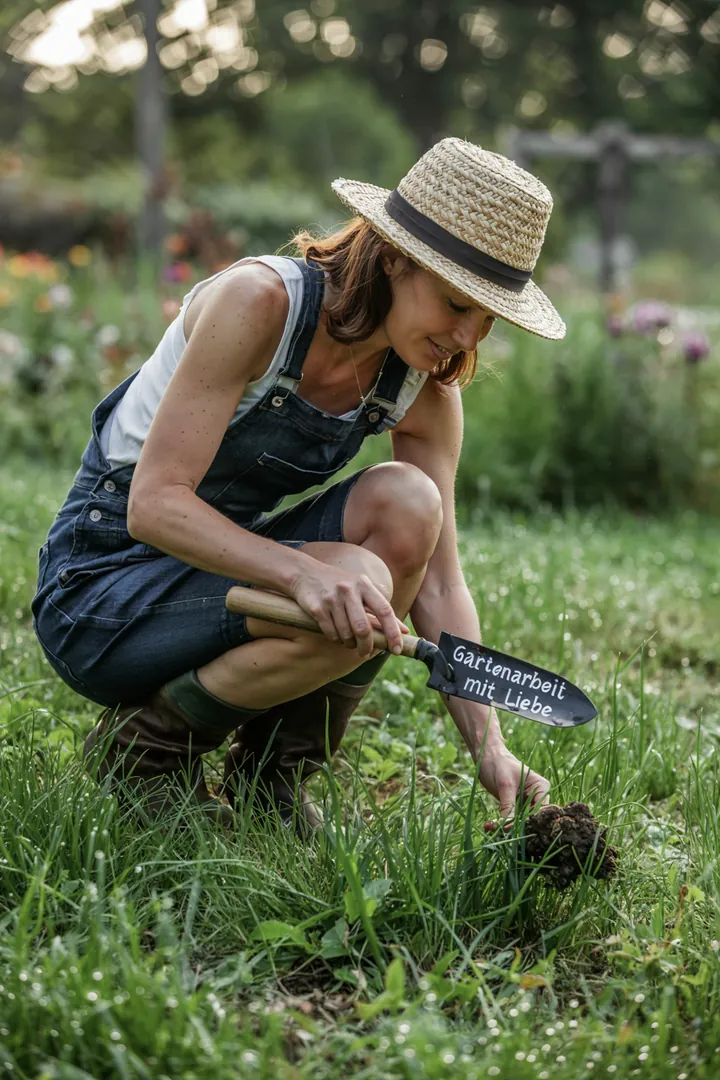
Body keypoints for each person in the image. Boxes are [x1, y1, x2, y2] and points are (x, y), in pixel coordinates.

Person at [31, 137, 564, 831]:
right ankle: (147, 753)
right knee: (351, 578)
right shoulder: (260, 303)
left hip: (215, 582)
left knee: (408, 506)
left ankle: (272, 776)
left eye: (487, 320)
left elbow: (437, 581)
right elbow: (154, 505)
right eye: (457, 302)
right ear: (399, 256)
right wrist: (300, 574)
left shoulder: (422, 384)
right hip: (102, 592)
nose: (466, 337)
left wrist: (490, 747)